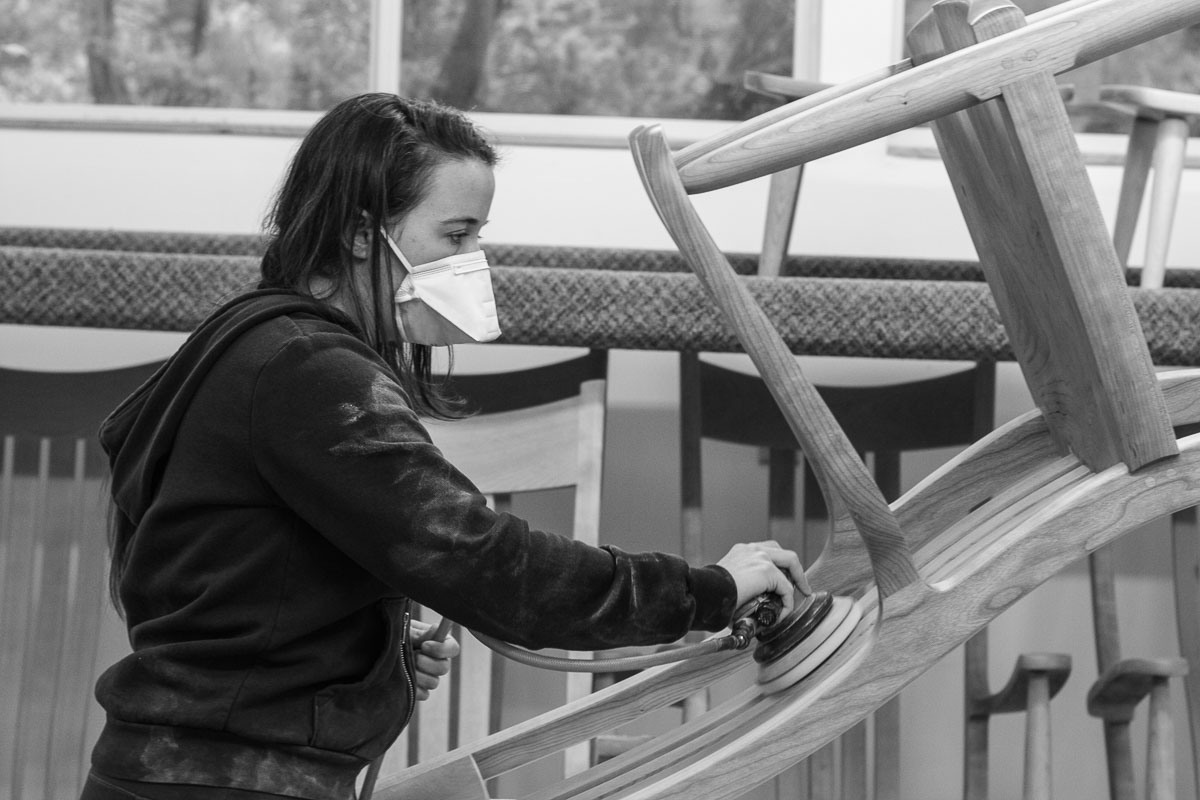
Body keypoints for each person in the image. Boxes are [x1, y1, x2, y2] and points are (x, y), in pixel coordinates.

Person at [81, 93, 806, 800]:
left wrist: (365, 651)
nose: (475, 259)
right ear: (365, 233)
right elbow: (495, 568)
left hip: (182, 770)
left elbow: (226, 579)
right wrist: (713, 589)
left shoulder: (252, 340)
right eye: (456, 235)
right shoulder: (310, 372)